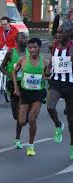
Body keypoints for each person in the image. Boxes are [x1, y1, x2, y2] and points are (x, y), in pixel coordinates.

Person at [13, 37, 48, 156]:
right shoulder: (23, 59)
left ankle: (31, 146)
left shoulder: (45, 61)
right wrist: (16, 88)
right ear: (28, 48)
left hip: (38, 94)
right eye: (30, 47)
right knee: (22, 121)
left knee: (32, 119)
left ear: (39, 48)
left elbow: (48, 75)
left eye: (35, 47)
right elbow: (14, 72)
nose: (33, 50)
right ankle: (17, 137)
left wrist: (47, 75)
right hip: (25, 93)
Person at [46, 22, 73, 159]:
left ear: (69, 34)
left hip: (70, 85)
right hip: (56, 82)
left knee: (71, 120)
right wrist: (49, 67)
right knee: (50, 107)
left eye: (61, 32)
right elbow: (53, 59)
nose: (58, 34)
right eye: (57, 31)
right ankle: (58, 124)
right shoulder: (53, 45)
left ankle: (72, 146)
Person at [0, 32, 28, 149]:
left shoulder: (29, 52)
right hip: (13, 85)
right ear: (16, 40)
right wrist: (12, 76)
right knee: (16, 116)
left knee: (21, 113)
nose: (26, 40)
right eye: (23, 38)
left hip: (26, 85)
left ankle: (17, 138)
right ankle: (22, 119)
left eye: (27, 38)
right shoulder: (11, 52)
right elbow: (2, 67)